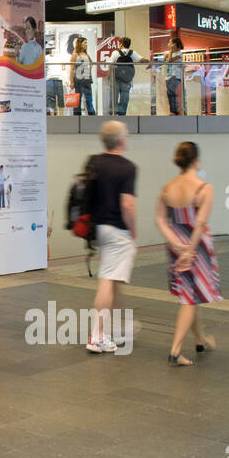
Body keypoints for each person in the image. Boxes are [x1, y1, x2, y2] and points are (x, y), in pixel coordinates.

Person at [155, 142, 221, 366]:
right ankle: (175, 350)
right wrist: (190, 249)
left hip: (176, 245)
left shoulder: (168, 188)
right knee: (190, 298)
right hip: (197, 245)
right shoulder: (204, 188)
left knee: (192, 294)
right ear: (196, 161)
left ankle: (201, 339)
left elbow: (161, 220)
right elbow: (200, 223)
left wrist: (176, 243)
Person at [86, 120, 137, 353]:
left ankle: (114, 328)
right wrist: (133, 229)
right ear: (122, 140)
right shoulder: (127, 168)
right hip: (118, 229)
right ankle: (96, 336)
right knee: (107, 280)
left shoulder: (94, 163)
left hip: (100, 228)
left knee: (112, 278)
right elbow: (127, 205)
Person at [111, 37, 143, 116]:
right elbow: (141, 60)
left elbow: (110, 63)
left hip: (117, 78)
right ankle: (122, 113)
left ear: (121, 44)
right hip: (127, 79)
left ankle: (114, 111)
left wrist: (109, 74)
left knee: (114, 95)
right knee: (125, 95)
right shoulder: (132, 53)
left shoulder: (116, 53)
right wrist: (150, 63)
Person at [69, 36, 95, 115]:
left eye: (87, 43)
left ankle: (92, 115)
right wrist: (71, 82)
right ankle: (77, 116)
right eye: (85, 43)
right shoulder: (75, 55)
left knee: (89, 99)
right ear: (80, 44)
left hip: (87, 79)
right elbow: (72, 69)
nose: (86, 44)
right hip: (79, 80)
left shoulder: (86, 54)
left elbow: (91, 63)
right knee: (78, 99)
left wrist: (87, 70)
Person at [163, 37, 186, 115]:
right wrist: (170, 53)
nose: (168, 45)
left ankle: (174, 111)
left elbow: (169, 60)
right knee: (169, 93)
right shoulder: (171, 54)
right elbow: (165, 58)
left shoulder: (179, 53)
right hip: (168, 76)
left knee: (172, 93)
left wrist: (170, 51)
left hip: (175, 76)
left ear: (175, 44)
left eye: (170, 43)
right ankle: (172, 111)